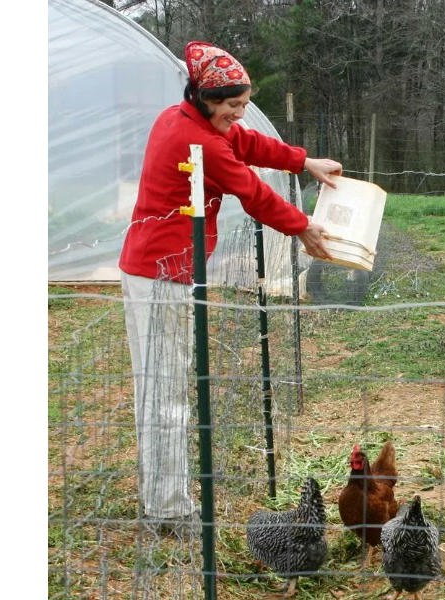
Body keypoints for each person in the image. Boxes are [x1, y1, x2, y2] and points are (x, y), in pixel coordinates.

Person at [119, 41, 343, 536]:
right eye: (232, 106)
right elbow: (251, 189)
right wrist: (302, 226)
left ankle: (166, 495)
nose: (238, 115)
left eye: (243, 106)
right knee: (165, 391)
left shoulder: (187, 121)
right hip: (161, 275)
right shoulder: (197, 141)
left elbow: (248, 144)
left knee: (168, 385)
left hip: (167, 267)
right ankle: (167, 508)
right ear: (203, 96)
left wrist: (303, 162)